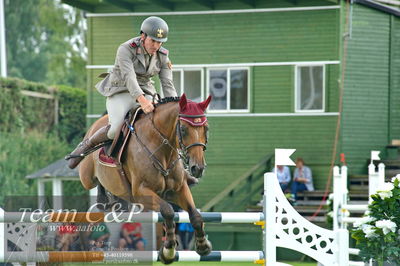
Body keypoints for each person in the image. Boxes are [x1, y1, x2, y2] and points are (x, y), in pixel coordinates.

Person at [67, 16, 177, 169]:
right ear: (143, 36)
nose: (156, 46)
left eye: (160, 42)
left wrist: (175, 107)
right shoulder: (126, 49)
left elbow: (167, 84)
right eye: (153, 41)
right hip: (121, 89)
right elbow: (129, 78)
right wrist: (143, 101)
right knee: (114, 129)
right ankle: (86, 145)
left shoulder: (163, 55)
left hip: (146, 90)